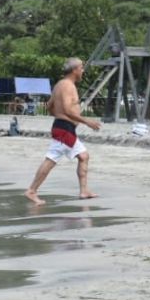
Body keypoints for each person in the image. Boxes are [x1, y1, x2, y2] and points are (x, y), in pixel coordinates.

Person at [25, 58, 103, 205]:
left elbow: (49, 107)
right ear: (74, 70)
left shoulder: (59, 85)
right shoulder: (68, 86)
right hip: (64, 129)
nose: (83, 71)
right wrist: (87, 121)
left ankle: (84, 191)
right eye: (81, 68)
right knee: (51, 159)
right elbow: (67, 109)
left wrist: (59, 116)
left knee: (84, 156)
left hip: (64, 128)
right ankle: (32, 190)